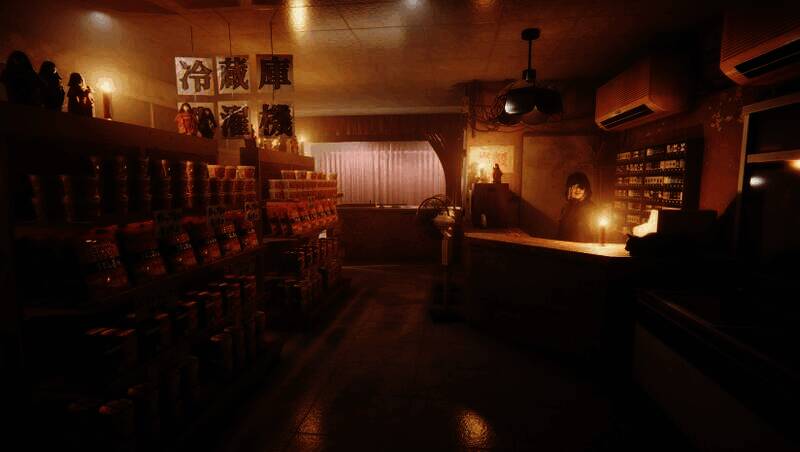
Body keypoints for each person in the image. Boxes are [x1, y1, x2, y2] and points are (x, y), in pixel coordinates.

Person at [557, 171, 597, 242]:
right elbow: (561, 231)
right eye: (574, 187)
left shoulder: (591, 208)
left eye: (581, 187)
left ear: (586, 189)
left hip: (583, 246)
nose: (577, 190)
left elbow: (592, 233)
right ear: (569, 189)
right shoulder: (566, 207)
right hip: (565, 246)